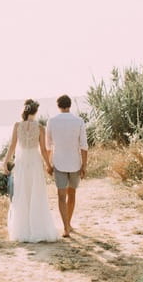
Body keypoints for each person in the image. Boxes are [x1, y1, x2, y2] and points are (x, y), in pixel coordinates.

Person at [2, 99, 59, 242]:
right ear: (35, 112)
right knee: (36, 193)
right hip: (34, 162)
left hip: (21, 163)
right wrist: (48, 165)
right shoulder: (40, 128)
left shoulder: (17, 126)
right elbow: (44, 151)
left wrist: (5, 162)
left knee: (22, 193)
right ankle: (38, 228)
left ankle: (22, 230)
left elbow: (12, 146)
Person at [46, 94, 88, 237]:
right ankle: (68, 223)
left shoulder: (52, 121)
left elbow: (48, 145)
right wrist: (84, 165)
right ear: (70, 105)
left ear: (58, 106)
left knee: (61, 195)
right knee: (72, 193)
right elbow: (84, 145)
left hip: (58, 162)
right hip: (75, 162)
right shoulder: (79, 121)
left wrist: (48, 164)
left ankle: (65, 227)